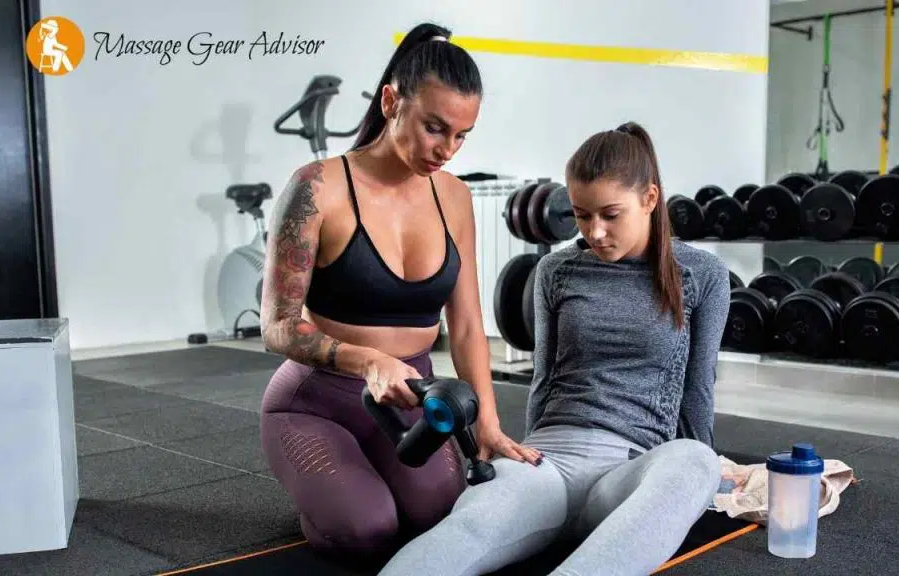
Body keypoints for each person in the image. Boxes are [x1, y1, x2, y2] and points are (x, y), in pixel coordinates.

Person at [377, 121, 731, 576]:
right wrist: (521, 464)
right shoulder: (556, 270)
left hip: (630, 470)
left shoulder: (701, 274)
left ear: (649, 199)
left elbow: (699, 388)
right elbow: (544, 379)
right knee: (466, 532)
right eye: (582, 215)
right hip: (547, 463)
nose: (595, 231)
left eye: (610, 214)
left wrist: (700, 492)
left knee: (697, 460)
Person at [257, 22, 542, 562]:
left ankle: (362, 480)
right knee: (368, 529)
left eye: (462, 135)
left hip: (415, 402)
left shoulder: (454, 197)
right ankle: (324, 498)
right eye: (435, 128)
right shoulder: (318, 187)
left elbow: (464, 323)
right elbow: (276, 323)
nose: (448, 150)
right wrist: (367, 360)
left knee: (436, 517)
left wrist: (487, 422)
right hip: (316, 402)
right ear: (392, 101)